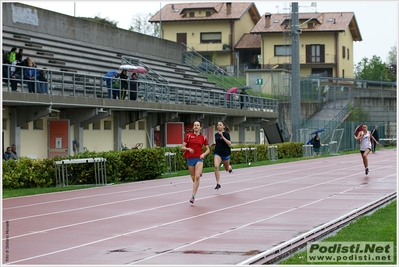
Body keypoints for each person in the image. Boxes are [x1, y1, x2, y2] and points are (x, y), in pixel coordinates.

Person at [181, 121, 210, 204]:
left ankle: (193, 196)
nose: (196, 126)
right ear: (193, 127)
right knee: (194, 179)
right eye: (194, 125)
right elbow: (182, 147)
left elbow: (208, 149)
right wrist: (188, 149)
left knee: (197, 177)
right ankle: (198, 173)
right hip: (190, 159)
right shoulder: (188, 136)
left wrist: (203, 154)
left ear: (200, 127)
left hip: (199, 159)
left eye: (197, 125)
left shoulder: (203, 138)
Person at [211, 121, 232, 190]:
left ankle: (229, 167)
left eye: (220, 125)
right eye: (218, 125)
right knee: (216, 166)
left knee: (226, 169)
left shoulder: (226, 134)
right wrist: (214, 144)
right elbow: (218, 142)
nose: (218, 126)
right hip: (218, 153)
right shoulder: (216, 134)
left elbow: (229, 143)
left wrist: (222, 137)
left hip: (225, 153)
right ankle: (218, 183)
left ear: (223, 126)